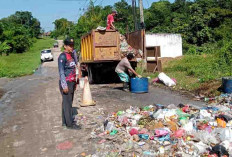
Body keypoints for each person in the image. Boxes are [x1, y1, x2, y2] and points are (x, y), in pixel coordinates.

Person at [58, 38, 80, 130]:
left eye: (72, 45)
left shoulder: (71, 55)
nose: (71, 47)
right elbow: (61, 72)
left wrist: (75, 82)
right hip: (66, 83)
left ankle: (64, 122)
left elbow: (75, 67)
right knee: (67, 104)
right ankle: (70, 124)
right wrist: (64, 85)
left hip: (71, 82)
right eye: (69, 46)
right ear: (65, 46)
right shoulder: (62, 57)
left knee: (67, 103)